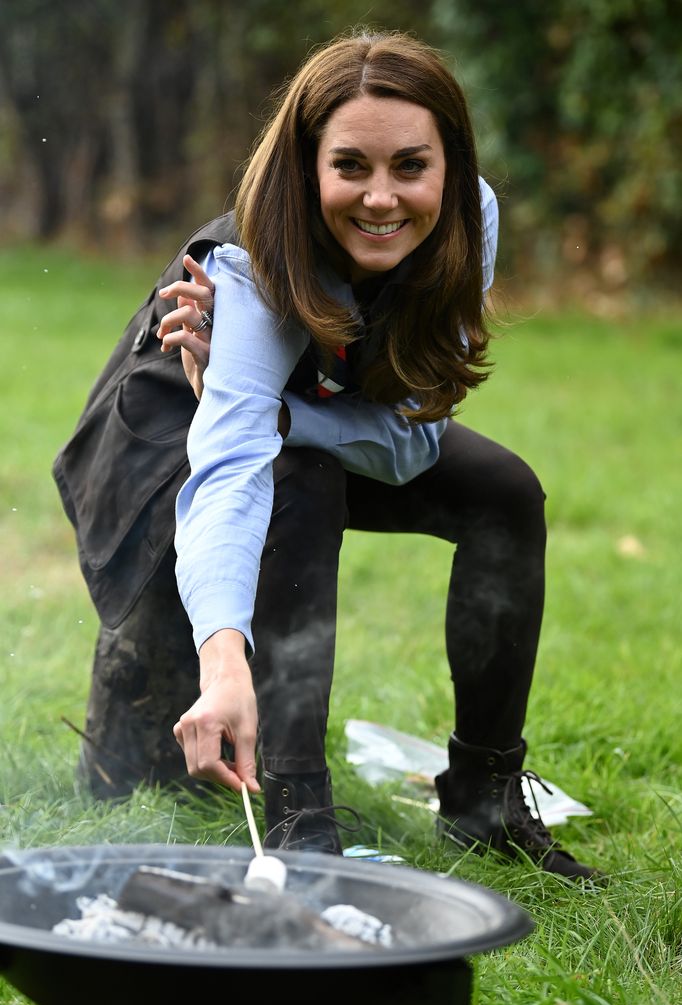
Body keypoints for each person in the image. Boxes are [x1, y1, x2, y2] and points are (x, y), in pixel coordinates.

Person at [63, 29, 597, 879]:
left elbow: (413, 440)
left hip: (319, 414)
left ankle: (483, 800)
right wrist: (225, 656)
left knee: (503, 491)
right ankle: (300, 816)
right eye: (351, 166)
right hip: (171, 441)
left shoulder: (470, 219)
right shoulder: (252, 266)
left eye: (410, 168)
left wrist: (290, 414)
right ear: (309, 169)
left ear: (449, 168)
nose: (382, 199)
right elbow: (234, 464)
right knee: (128, 775)